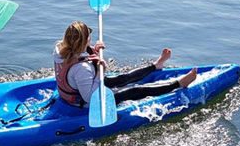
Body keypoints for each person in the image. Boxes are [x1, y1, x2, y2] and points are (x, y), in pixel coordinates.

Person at [53, 21, 198, 108]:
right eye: (89, 36)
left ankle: (155, 66)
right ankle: (178, 84)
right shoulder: (82, 69)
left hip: (81, 86)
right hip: (86, 103)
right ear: (85, 41)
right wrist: (99, 70)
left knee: (122, 78)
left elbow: (80, 56)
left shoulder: (59, 50)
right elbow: (90, 98)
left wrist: (94, 51)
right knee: (136, 90)